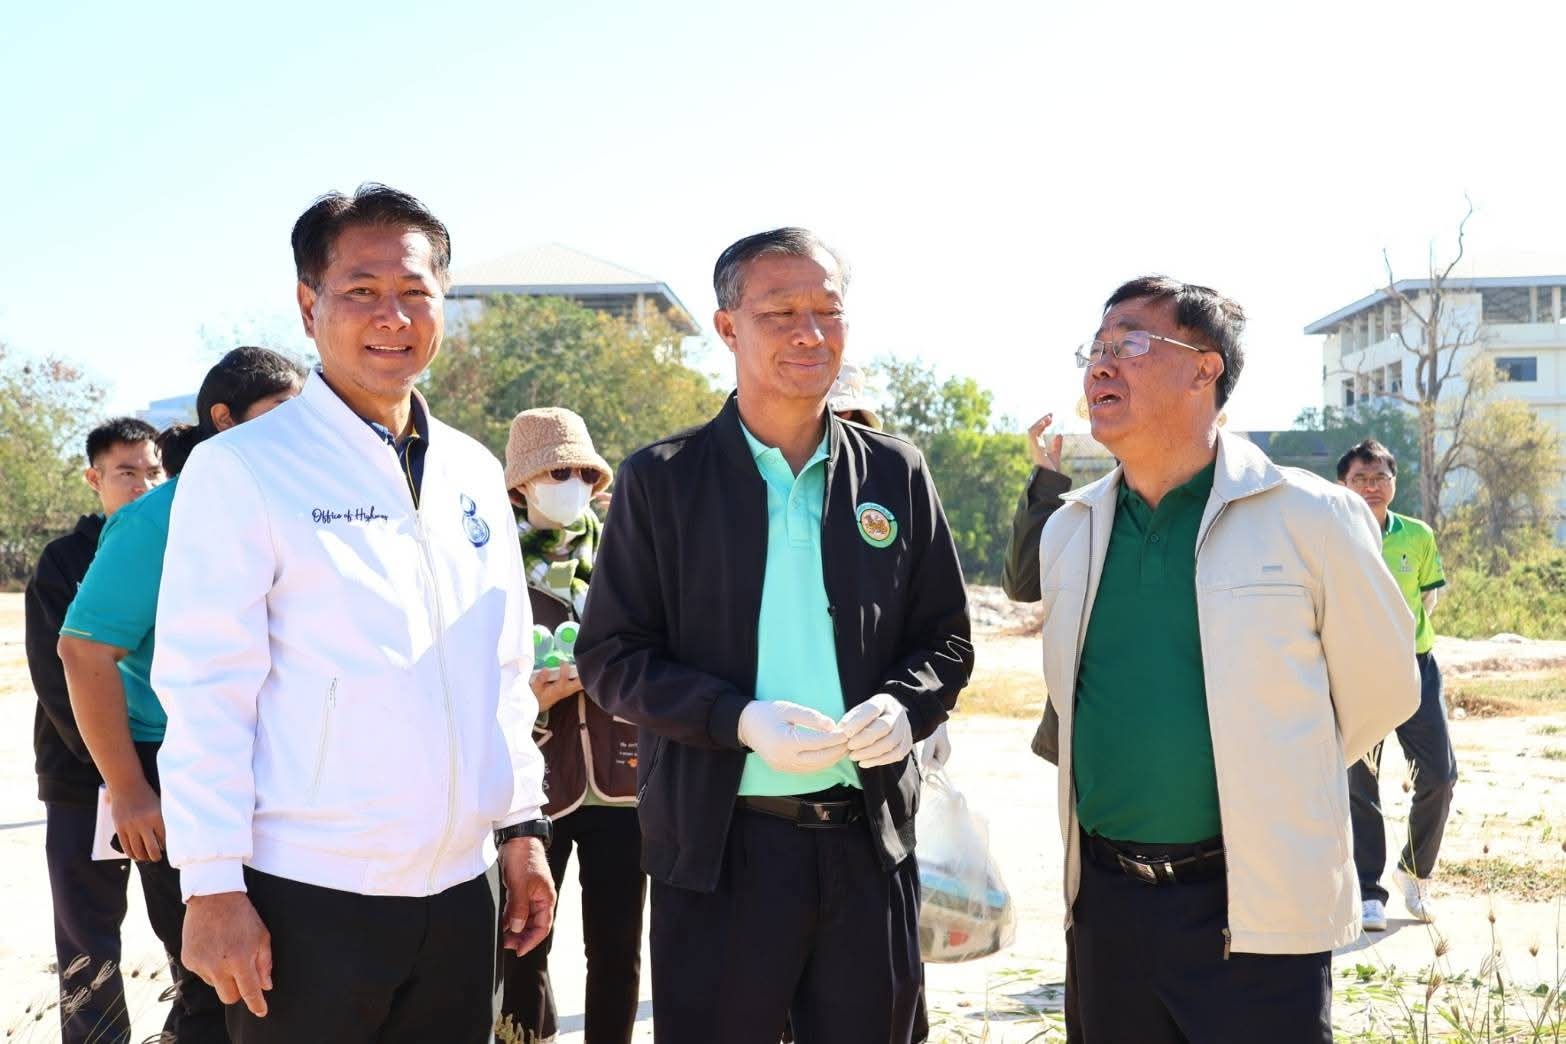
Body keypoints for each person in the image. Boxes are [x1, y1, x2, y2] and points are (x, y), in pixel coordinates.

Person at [150, 184, 555, 1043]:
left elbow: (504, 668)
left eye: (414, 291)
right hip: (307, 896)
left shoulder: (474, 470)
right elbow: (206, 686)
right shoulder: (244, 468)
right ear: (309, 306)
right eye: (361, 291)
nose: (392, 317)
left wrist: (521, 828)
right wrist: (211, 883)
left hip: (461, 891)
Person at [575, 227, 973, 1044]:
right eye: (781, 312)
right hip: (719, 851)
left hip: (868, 846)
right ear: (728, 328)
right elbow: (611, 657)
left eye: (829, 311)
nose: (810, 333)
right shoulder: (663, 480)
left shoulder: (895, 472)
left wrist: (906, 707)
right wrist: (737, 719)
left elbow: (947, 639)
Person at [1020, 275, 1420, 1041]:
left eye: (1131, 343)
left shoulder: (1311, 515)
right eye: (1095, 349)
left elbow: (1384, 687)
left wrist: (1273, 773)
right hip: (1106, 908)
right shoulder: (1071, 529)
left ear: (1205, 369)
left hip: (1255, 910)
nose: (1102, 364)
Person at [57, 349, 303, 1044]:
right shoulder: (159, 517)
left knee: (284, 981)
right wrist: (129, 790)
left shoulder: (298, 504)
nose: (301, 430)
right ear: (223, 419)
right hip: (173, 769)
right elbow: (83, 651)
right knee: (216, 990)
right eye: (280, 414)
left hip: (275, 769)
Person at [499, 407, 643, 1044]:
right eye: (558, 473)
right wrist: (527, 697)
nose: (574, 484)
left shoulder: (623, 560)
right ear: (522, 484)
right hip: (534, 786)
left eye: (585, 473)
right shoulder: (491, 567)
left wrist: (604, 673)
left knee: (617, 947)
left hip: (622, 779)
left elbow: (654, 655)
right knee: (523, 941)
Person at [27, 416, 163, 1044]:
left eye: (153, 471)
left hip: (163, 771)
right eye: (126, 472)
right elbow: (60, 672)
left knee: (184, 921)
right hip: (82, 779)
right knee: (87, 935)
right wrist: (116, 770)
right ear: (94, 478)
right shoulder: (64, 560)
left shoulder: (174, 541)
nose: (142, 485)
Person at [1338, 438, 1456, 931]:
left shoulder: (1417, 535)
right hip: (1354, 672)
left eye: (1379, 478)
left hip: (1415, 668)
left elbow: (1428, 600)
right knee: (1360, 786)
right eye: (1360, 479)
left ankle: (1415, 872)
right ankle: (1369, 891)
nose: (1371, 487)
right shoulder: (1332, 533)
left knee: (1440, 777)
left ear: (1394, 482)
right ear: (1342, 484)